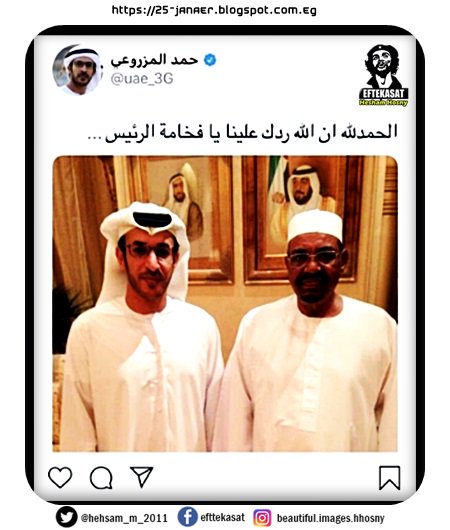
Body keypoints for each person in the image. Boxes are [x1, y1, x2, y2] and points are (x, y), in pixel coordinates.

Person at [213, 209, 396, 452]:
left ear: (343, 260)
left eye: (325, 256)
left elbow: (395, 423)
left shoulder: (379, 327)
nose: (312, 267)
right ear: (287, 264)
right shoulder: (255, 325)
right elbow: (234, 421)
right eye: (300, 257)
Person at [60, 202, 223, 451]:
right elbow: (78, 433)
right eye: (139, 250)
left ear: (175, 258)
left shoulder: (202, 327)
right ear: (120, 256)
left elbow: (217, 427)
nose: (152, 264)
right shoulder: (88, 331)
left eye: (162, 251)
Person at [270, 165, 336, 245]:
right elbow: (276, 244)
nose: (298, 187)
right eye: (295, 182)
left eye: (304, 182)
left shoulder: (329, 207)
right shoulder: (282, 213)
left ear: (313, 185)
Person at [163, 163, 204, 241]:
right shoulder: (165, 209)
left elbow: (196, 235)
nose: (179, 190)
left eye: (181, 185)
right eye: (175, 186)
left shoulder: (193, 208)